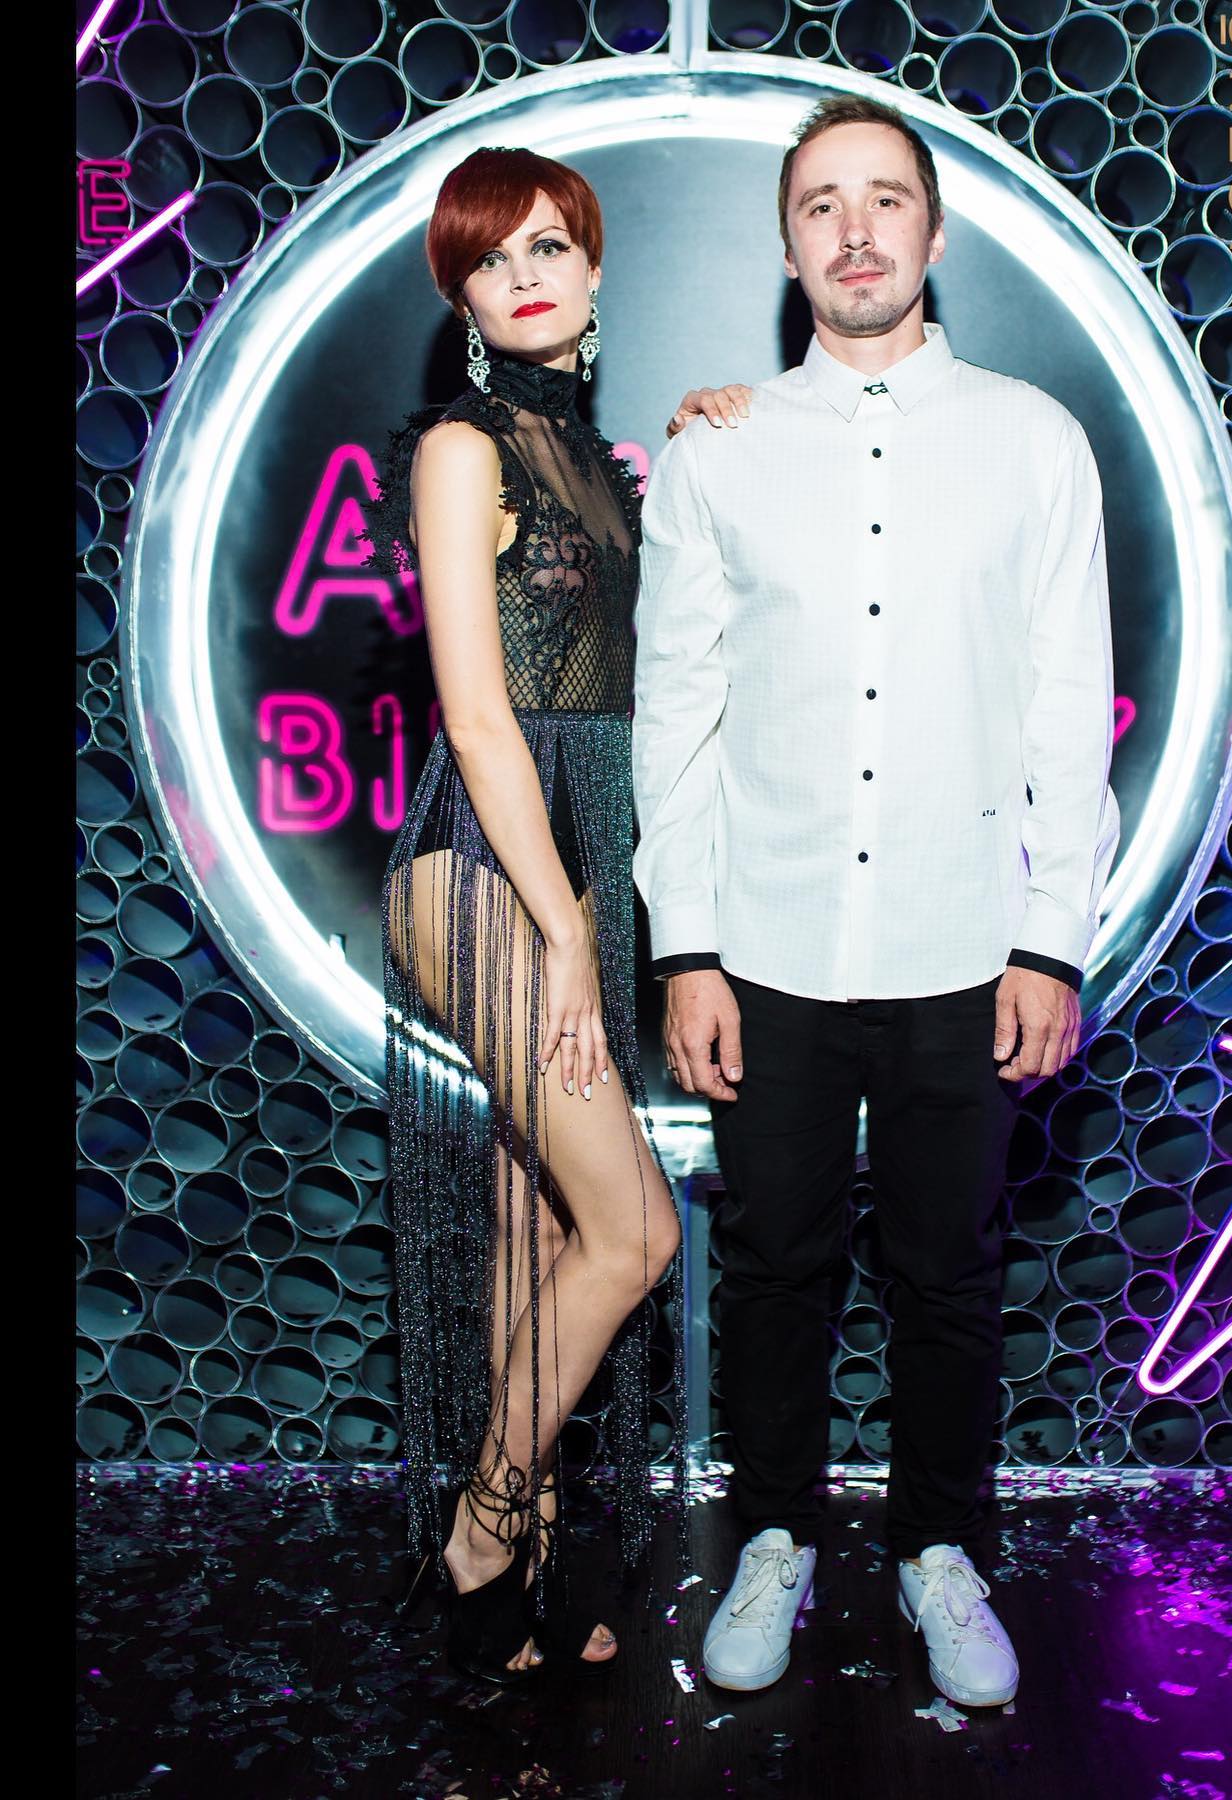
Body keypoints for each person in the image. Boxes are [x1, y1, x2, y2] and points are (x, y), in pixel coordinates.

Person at [633, 94, 1122, 1709]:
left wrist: (1051, 939)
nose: (856, 230)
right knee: (773, 1266)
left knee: (948, 1274)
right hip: (766, 939)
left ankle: (940, 1554)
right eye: (822, 205)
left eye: (885, 199)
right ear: (787, 247)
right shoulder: (716, 452)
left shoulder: (1034, 441)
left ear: (932, 230)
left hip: (963, 938)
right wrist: (686, 946)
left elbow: (1070, 708)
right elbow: (676, 714)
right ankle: (772, 1536)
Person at [362, 146, 751, 1682]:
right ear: (460, 297)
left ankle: (513, 1563)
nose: (522, 275)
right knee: (636, 1230)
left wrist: (716, 433)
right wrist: (568, 932)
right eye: (489, 257)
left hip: (574, 872)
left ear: (593, 269)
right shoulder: (463, 449)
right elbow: (477, 717)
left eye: (547, 246)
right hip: (486, 873)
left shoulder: (588, 452)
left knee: (547, 1229)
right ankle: (479, 1531)